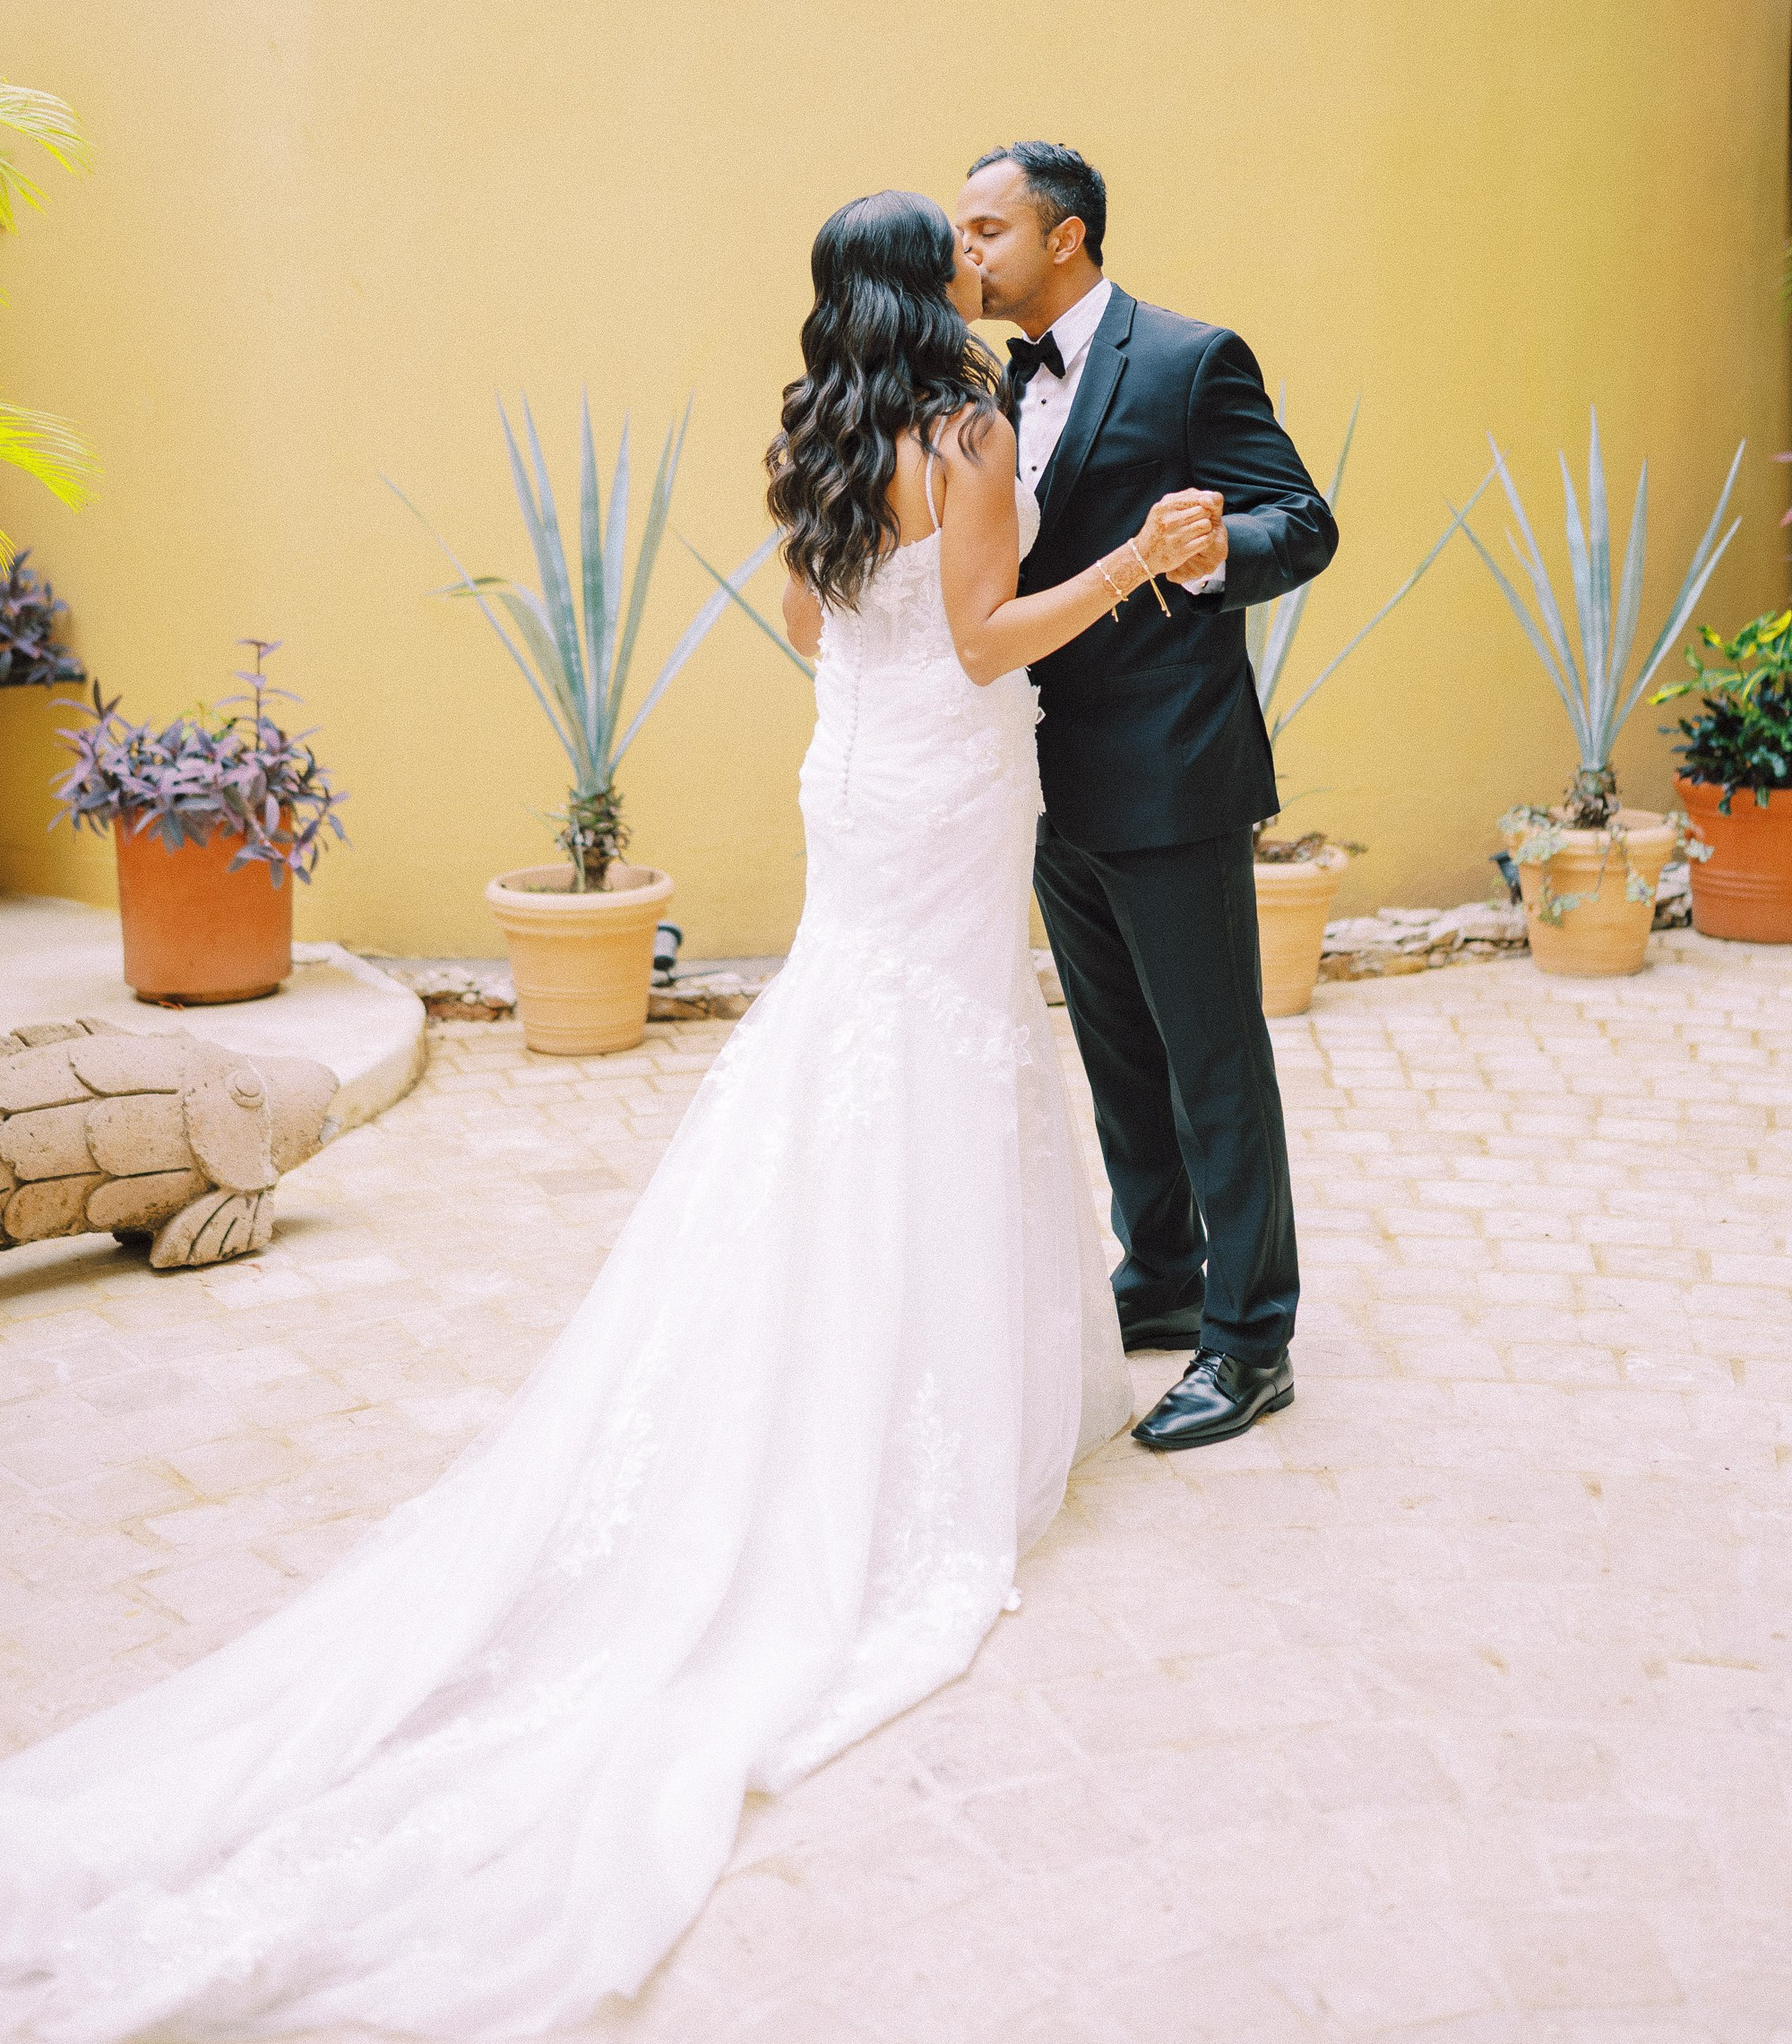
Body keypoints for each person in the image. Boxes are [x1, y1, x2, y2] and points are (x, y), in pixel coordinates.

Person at [0, 189, 1214, 2044]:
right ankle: (917, 1384)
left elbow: (813, 617)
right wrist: (1130, 561)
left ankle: (839, 1323)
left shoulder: (823, 432)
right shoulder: (967, 436)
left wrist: (903, 642)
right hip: (949, 780)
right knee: (934, 1046)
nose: (979, 267)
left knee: (858, 1039)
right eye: (954, 252)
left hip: (856, 781)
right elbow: (985, 646)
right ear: (924, 284)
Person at [956, 142, 1338, 1453]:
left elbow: (1303, 520)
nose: (967, 253)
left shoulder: (1189, 359)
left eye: (988, 230)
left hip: (1172, 772)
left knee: (1212, 1060)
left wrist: (1214, 549)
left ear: (1064, 236)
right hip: (1043, 777)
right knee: (1119, 1056)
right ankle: (1163, 1271)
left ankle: (1252, 1340)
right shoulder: (994, 385)